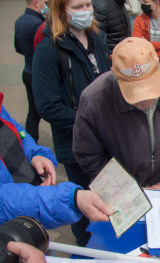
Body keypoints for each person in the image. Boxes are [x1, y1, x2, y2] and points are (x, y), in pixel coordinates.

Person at [32, 0, 111, 246]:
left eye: (88, 4)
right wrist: (91, 121)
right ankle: (87, 250)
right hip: (76, 147)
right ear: (61, 10)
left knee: (111, 203)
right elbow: (48, 107)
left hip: (108, 141)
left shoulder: (98, 38)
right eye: (78, 6)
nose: (86, 10)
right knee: (85, 211)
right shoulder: (49, 49)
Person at [73, 37, 160, 190]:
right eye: (134, 94)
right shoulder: (94, 99)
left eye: (149, 89)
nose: (144, 100)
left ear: (158, 64)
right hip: (118, 190)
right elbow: (88, 155)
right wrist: (121, 188)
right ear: (115, 74)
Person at [0, 91, 113, 229]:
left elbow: (17, 131)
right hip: (9, 229)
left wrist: (34, 153)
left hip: (31, 204)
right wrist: (71, 199)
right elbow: (1, 200)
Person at [14, 0, 48, 142]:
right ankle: (31, 142)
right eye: (46, 2)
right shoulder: (38, 25)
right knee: (45, 110)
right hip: (37, 75)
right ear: (36, 2)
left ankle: (29, 141)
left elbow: (18, 47)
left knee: (33, 111)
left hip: (27, 71)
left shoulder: (20, 21)